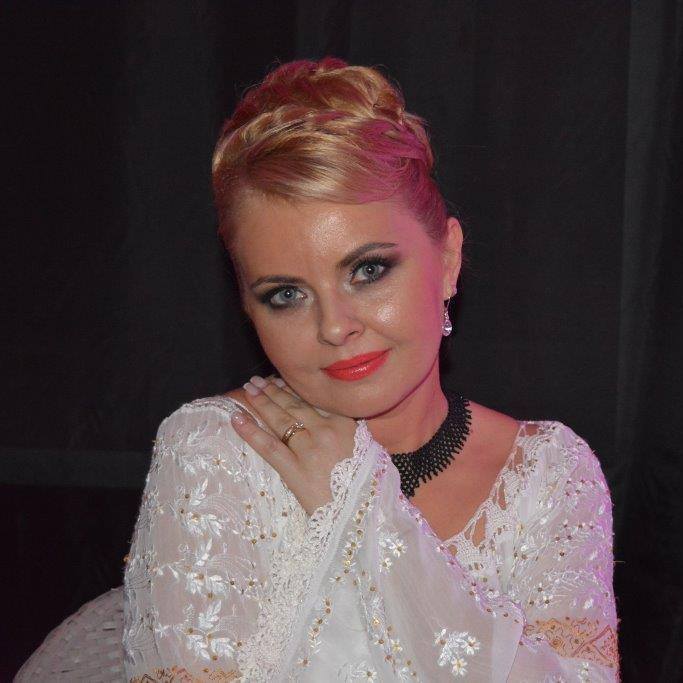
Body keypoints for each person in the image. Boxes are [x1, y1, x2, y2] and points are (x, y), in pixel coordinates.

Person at [122, 57, 620, 681]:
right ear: (248, 307)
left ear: (448, 260)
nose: (334, 327)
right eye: (286, 294)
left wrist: (360, 503)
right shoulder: (216, 450)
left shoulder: (548, 474)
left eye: (368, 270)